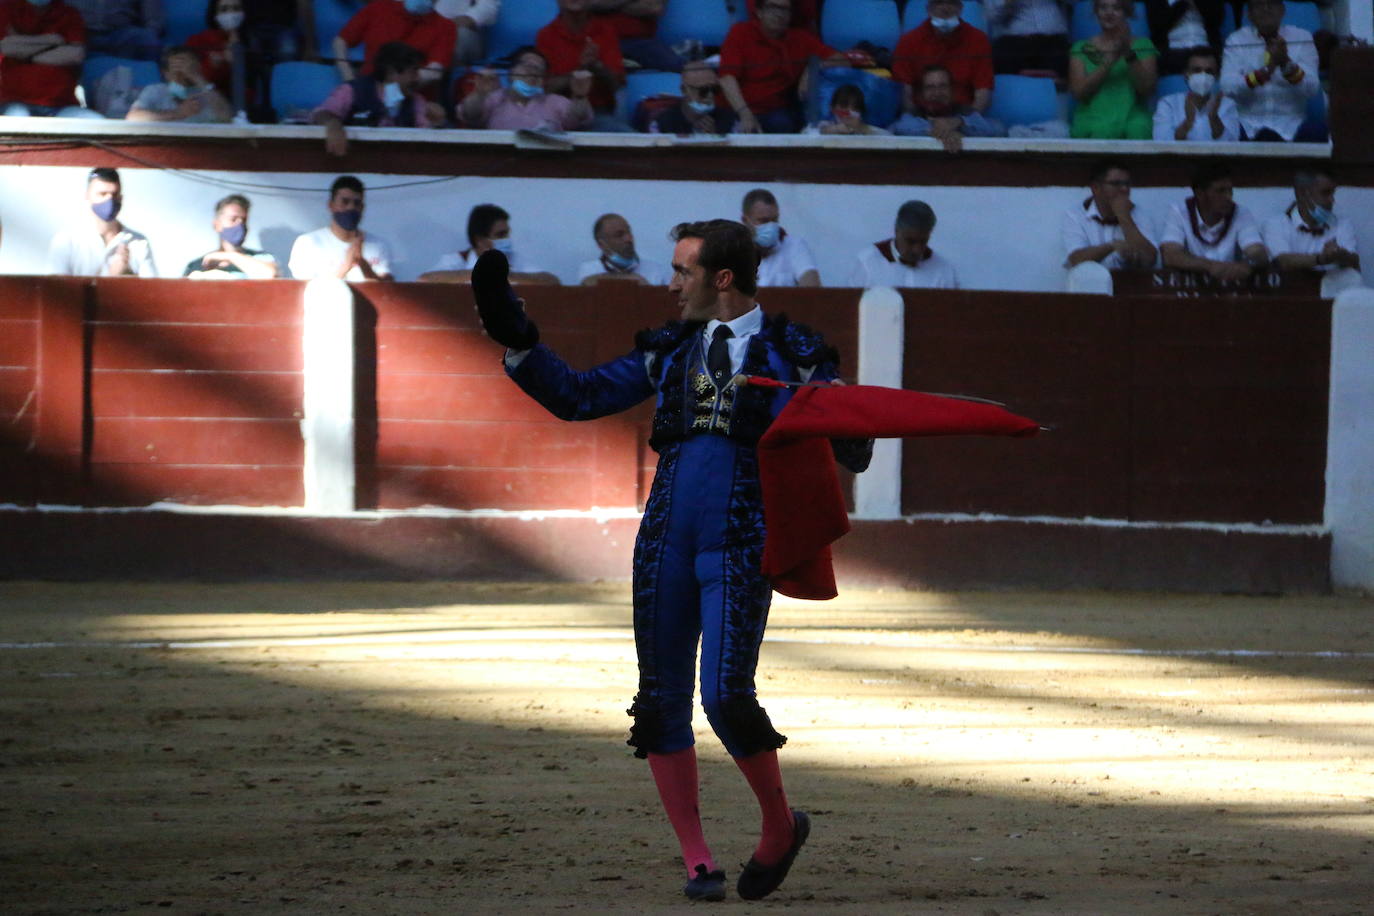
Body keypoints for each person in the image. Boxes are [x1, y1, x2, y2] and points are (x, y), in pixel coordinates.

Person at [471, 217, 871, 903]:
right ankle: (697, 860)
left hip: (743, 540)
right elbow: (580, 396)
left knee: (724, 694)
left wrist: (840, 426)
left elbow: (849, 440)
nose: (669, 281)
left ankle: (779, 825)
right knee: (661, 699)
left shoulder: (790, 353)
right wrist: (520, 344)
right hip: (664, 540)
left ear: (720, 279)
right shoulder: (669, 351)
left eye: (682, 270)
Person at [719, 0, 849, 134]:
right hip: (736, 109)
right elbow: (727, 79)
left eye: (784, 9)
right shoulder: (740, 32)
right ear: (759, 12)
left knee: (785, 126)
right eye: (772, 7)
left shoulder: (800, 38)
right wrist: (745, 114)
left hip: (774, 113)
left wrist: (813, 68)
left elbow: (843, 61)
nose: (779, 14)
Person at [1219, 0, 1322, 141]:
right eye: (1259, 5)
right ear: (1249, 14)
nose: (1266, 9)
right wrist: (1264, 73)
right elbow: (1227, 87)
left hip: (1293, 125)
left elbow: (1312, 88)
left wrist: (1286, 64)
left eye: (1272, 3)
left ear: (1282, 10)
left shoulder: (1302, 37)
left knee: (1322, 134)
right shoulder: (1236, 40)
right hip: (1247, 125)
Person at [313, 41, 433, 156]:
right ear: (391, 72)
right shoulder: (352, 91)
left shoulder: (416, 102)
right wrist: (333, 125)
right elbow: (322, 113)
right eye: (413, 72)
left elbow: (425, 138)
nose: (417, 79)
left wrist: (435, 122)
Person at [1261, 167, 1365, 295]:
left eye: (1333, 193)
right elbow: (1283, 260)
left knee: (1353, 277)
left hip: (1332, 297)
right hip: (1293, 297)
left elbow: (1354, 261)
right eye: (1325, 193)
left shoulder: (1342, 224)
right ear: (1302, 193)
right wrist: (1321, 259)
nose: (1332, 200)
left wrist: (1339, 254)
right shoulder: (1276, 224)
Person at [1159, 162, 1269, 282]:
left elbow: (1258, 252)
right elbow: (1170, 255)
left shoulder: (1240, 213)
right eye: (1220, 191)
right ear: (1199, 194)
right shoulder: (1179, 212)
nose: (1228, 197)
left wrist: (1248, 264)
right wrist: (1211, 266)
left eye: (1230, 191)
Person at [1068, 0, 1158, 139]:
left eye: (1116, 8)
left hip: (1133, 118)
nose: (1109, 13)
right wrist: (1111, 58)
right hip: (1092, 119)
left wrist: (1128, 53)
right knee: (1102, 130)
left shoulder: (1143, 46)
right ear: (1097, 12)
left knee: (1138, 129)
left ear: (1126, 13)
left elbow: (1146, 90)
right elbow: (1079, 93)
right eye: (1103, 7)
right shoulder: (1081, 48)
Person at [536, 0, 629, 132]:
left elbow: (618, 84)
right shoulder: (546, 35)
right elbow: (545, 88)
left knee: (624, 135)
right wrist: (582, 68)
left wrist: (596, 65)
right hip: (558, 114)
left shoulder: (605, 31)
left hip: (598, 114)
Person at [47, 168, 158, 277]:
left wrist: (130, 275)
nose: (109, 200)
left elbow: (153, 290)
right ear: (87, 196)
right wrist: (112, 277)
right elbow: (59, 291)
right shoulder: (66, 241)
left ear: (121, 198)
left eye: (114, 194)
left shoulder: (138, 242)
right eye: (102, 194)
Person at [892, 0, 995, 118]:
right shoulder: (908, 42)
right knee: (905, 128)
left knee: (996, 129)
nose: (945, 8)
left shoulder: (978, 40)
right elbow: (904, 93)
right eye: (939, 3)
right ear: (929, 9)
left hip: (963, 116)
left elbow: (983, 92)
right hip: (921, 117)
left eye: (951, 3)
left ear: (960, 8)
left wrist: (962, 122)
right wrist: (928, 121)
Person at [1060, 159, 1157, 283]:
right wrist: (1112, 246)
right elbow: (1076, 259)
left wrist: (1124, 217)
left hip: (1131, 289)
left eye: (1127, 184)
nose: (1124, 189)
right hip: (1089, 288)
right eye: (1116, 184)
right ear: (1095, 188)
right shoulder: (1075, 215)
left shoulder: (1140, 214)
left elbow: (1151, 259)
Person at [458, 47, 592, 131]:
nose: (532, 70)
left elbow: (578, 117)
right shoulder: (495, 98)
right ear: (510, 73)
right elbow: (470, 114)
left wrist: (579, 97)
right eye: (526, 65)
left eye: (539, 68)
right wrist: (480, 94)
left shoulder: (554, 101)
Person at [288, 175, 395, 281]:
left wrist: (362, 263)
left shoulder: (378, 245)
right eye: (345, 202)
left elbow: (386, 288)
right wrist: (345, 267)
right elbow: (308, 290)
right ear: (331, 205)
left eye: (356, 203)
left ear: (362, 208)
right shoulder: (307, 243)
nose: (351, 207)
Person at [420, 204, 558, 284]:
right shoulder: (458, 259)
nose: (507, 240)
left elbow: (551, 281)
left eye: (507, 234)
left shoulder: (514, 259)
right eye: (500, 235)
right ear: (480, 240)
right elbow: (424, 280)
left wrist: (509, 276)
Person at [333, 0, 456, 90]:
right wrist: (349, 78)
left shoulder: (446, 27)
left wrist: (397, 89)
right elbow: (341, 41)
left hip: (413, 97)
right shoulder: (377, 8)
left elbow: (434, 71)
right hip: (368, 89)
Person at [0, 0, 92, 118]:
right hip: (14, 102)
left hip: (61, 105)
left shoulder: (69, 13)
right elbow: (6, 46)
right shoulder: (6, 9)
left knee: (98, 124)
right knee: (17, 120)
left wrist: (23, 54)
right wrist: (53, 40)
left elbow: (75, 54)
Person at [850, 200, 960, 289]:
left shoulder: (943, 271)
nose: (917, 250)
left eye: (923, 241)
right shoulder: (868, 263)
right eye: (910, 241)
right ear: (896, 231)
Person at [891, 65, 1005, 150]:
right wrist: (940, 130)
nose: (937, 93)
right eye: (930, 87)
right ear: (921, 94)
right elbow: (899, 128)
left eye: (943, 86)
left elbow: (999, 129)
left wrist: (959, 123)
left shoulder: (964, 112)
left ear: (952, 91)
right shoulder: (913, 114)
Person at [126, 45, 234, 123]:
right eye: (177, 68)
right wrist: (179, 113)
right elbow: (133, 117)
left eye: (188, 66)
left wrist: (196, 77)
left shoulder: (206, 92)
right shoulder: (156, 90)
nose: (183, 72)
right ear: (165, 73)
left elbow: (226, 117)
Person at [1152, 46, 1240, 141]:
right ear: (1186, 74)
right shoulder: (1168, 104)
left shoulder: (1227, 105)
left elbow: (1233, 145)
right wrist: (1187, 124)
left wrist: (1214, 119)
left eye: (1209, 71)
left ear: (1217, 76)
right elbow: (1161, 142)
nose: (1203, 75)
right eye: (1197, 70)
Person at [183, 193, 281, 279]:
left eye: (244, 220)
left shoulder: (261, 258)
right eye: (233, 219)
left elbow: (270, 274)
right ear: (217, 225)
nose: (240, 225)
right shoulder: (201, 263)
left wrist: (230, 256)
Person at [741, 189, 819, 287]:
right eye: (763, 221)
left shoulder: (794, 246)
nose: (771, 226)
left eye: (774, 220)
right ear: (745, 220)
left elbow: (812, 288)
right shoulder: (733, 252)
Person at [577, 213, 672, 285]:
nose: (628, 239)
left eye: (629, 232)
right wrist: (634, 280)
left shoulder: (656, 271)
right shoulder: (589, 269)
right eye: (619, 235)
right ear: (602, 244)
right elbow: (587, 283)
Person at [985, 0, 1071, 77]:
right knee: (1000, 57)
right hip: (1013, 41)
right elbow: (994, 15)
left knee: (1068, 56)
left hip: (1054, 39)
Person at [650, 61, 737, 136]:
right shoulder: (662, 124)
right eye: (703, 90)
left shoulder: (731, 121)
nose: (710, 96)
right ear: (684, 90)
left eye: (715, 89)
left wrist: (715, 138)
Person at [592, 0, 681, 72]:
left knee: (676, 65)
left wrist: (609, 7)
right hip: (601, 38)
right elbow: (591, 4)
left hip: (639, 42)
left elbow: (654, 8)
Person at [1145, 0, 1230, 74]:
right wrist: (1183, 4)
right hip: (1172, 50)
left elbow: (1216, 19)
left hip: (1206, 47)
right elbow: (1157, 26)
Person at [65, 0, 162, 60]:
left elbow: (153, 20)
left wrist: (151, 32)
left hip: (120, 35)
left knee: (147, 40)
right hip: (80, 34)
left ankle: (150, 88)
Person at [803, 83, 891, 136]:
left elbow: (890, 138)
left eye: (855, 108)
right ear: (832, 108)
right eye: (844, 105)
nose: (849, 112)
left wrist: (861, 129)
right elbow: (804, 134)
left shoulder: (872, 131)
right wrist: (832, 130)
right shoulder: (823, 126)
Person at [439, 0, 499, 65]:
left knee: (458, 36)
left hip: (464, 33)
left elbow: (488, 9)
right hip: (435, 30)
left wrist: (447, 26)